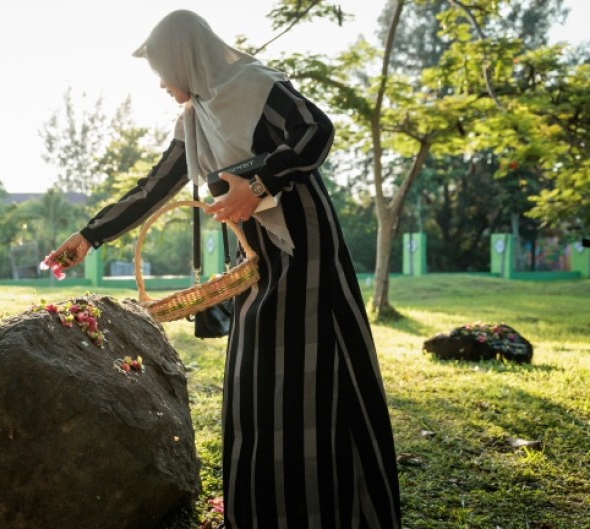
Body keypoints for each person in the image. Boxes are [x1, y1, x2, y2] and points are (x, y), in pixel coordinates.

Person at [48, 10, 401, 529]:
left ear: (185, 57)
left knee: (312, 371)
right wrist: (89, 236)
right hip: (253, 255)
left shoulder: (254, 86)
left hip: (304, 244)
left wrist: (258, 182)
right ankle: (265, 511)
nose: (164, 85)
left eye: (163, 72)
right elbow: (154, 188)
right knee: (253, 375)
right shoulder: (195, 119)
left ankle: (331, 507)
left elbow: (315, 132)